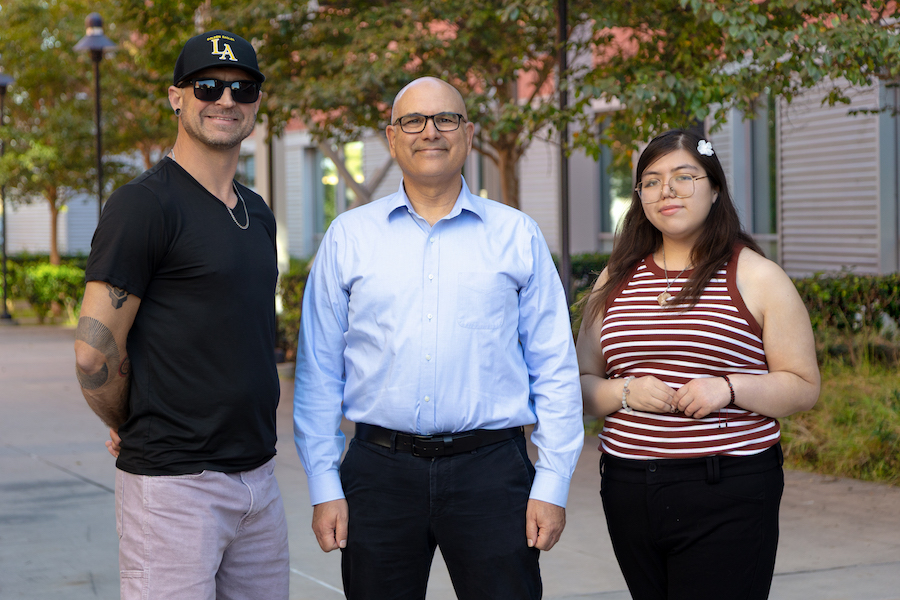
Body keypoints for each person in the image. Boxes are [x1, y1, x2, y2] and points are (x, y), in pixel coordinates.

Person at [293, 76, 584, 600]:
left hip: (493, 473)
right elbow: (319, 371)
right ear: (391, 137)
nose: (431, 131)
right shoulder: (348, 237)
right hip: (377, 474)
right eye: (414, 120)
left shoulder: (516, 235)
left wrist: (553, 480)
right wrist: (323, 483)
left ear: (468, 134)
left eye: (446, 119)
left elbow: (554, 366)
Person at [73, 30, 288, 600]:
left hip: (259, 482)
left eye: (242, 90)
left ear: (257, 104)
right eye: (208, 86)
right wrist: (127, 420)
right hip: (174, 487)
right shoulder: (144, 204)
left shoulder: (257, 212)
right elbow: (95, 349)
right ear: (177, 97)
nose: (226, 100)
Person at [576, 129, 821, 600]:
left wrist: (728, 389)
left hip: (726, 486)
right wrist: (623, 392)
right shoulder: (616, 278)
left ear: (714, 189)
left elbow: (803, 384)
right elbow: (581, 382)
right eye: (651, 181)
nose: (666, 191)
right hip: (628, 486)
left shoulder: (756, 275)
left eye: (683, 177)